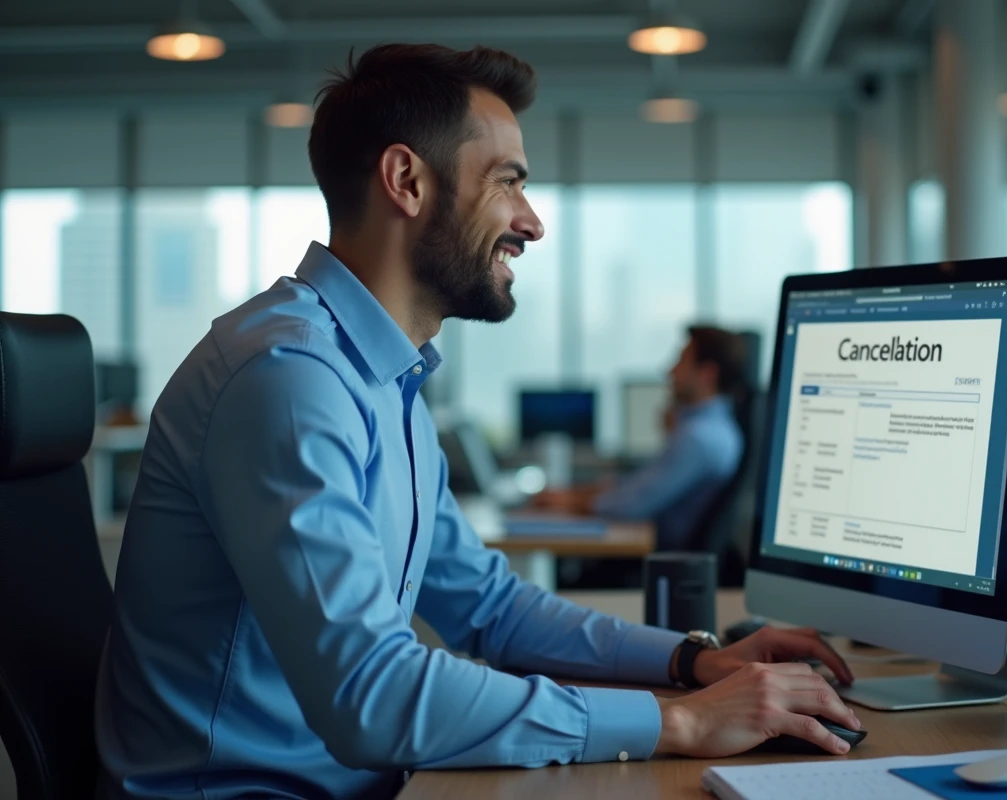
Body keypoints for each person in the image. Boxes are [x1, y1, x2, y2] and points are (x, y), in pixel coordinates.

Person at [94, 44, 859, 800]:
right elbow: (373, 697)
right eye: (507, 184)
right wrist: (680, 723)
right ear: (406, 182)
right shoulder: (290, 379)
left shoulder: (381, 377)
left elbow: (490, 608)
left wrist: (694, 665)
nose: (531, 223)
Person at [535, 325, 747, 551]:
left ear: (707, 373)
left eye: (682, 361)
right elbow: (637, 487)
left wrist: (568, 501)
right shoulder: (710, 430)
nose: (669, 371)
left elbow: (629, 506)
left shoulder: (698, 438)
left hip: (656, 560)